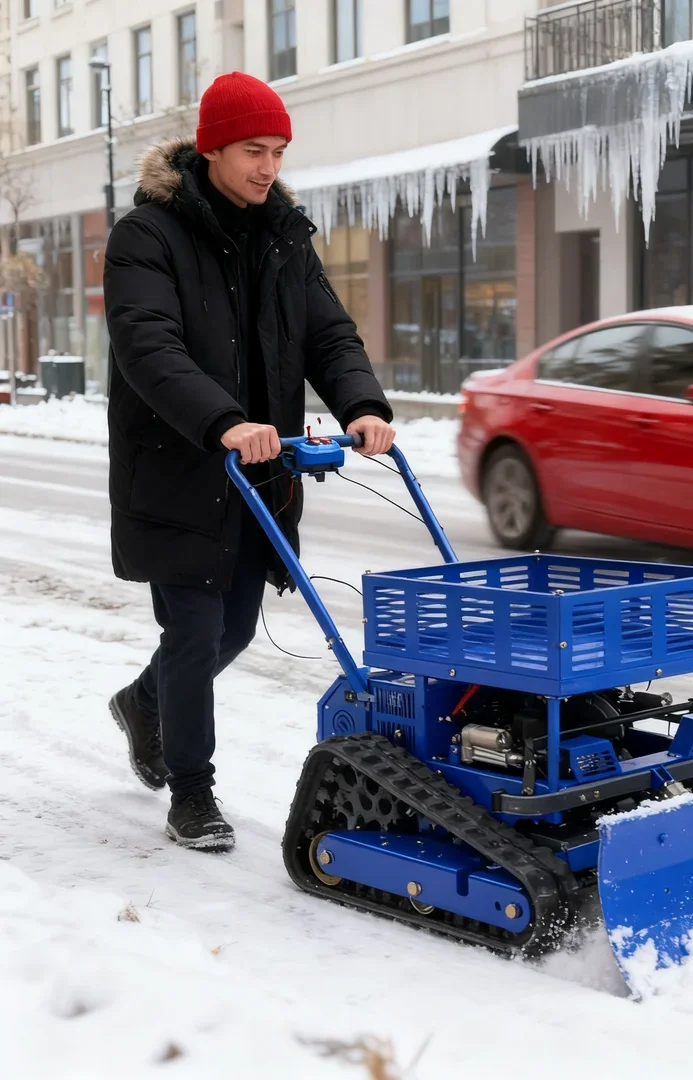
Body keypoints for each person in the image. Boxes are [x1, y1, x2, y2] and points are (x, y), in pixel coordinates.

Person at [103, 72, 395, 853]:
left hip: (259, 471)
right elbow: (147, 345)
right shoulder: (147, 236)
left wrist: (362, 404)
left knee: (232, 628)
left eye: (278, 151)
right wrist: (225, 422)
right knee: (195, 632)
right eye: (252, 150)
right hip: (178, 466)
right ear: (212, 149)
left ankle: (143, 701)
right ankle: (192, 793)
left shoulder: (284, 237)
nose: (268, 167)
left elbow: (328, 334)